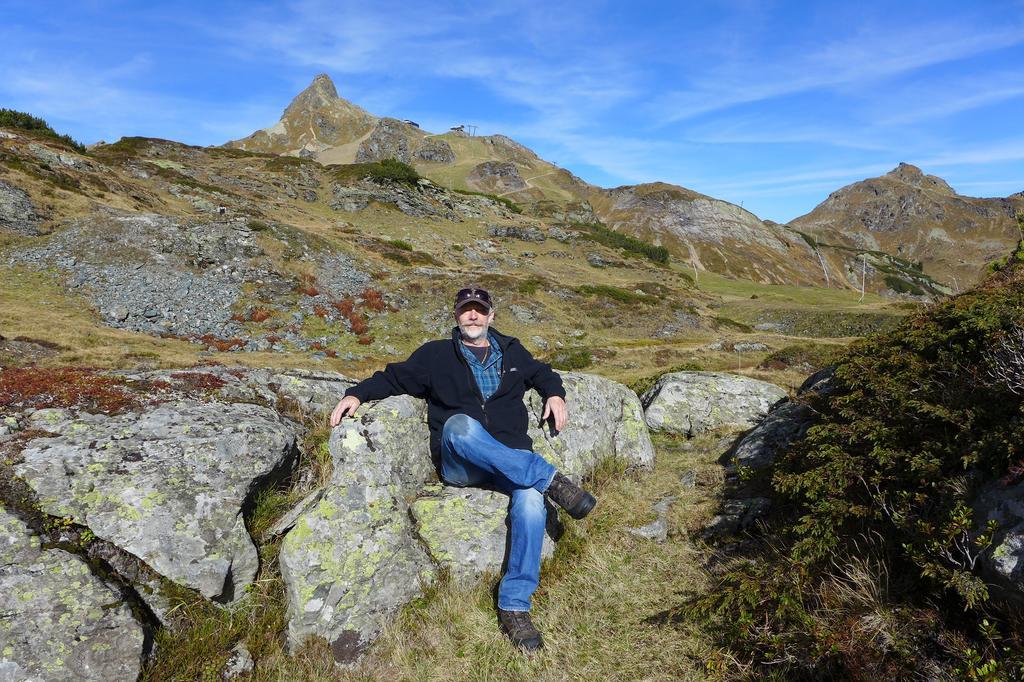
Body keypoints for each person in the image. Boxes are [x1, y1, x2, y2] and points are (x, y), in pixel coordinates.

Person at [330, 286, 596, 651]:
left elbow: (542, 373)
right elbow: (392, 378)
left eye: (479, 310)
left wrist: (555, 393)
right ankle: (550, 478)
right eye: (466, 310)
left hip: (509, 461)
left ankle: (515, 607)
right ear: (456, 315)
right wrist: (356, 393)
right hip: (462, 464)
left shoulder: (513, 351)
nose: (473, 316)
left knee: (531, 504)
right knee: (459, 426)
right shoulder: (435, 355)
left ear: (491, 316)